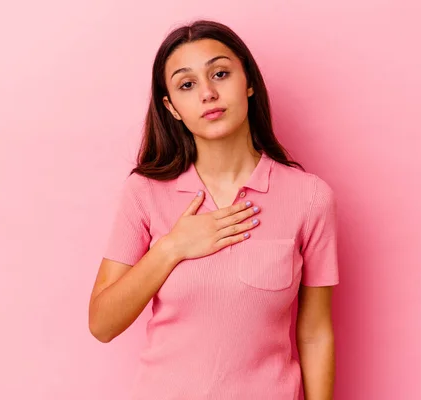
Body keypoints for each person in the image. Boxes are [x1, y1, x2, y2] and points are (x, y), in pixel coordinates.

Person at [88, 19, 339, 400]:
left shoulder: (310, 197)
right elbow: (102, 324)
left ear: (248, 82)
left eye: (220, 73)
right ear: (171, 108)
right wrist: (172, 248)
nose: (207, 93)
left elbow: (315, 331)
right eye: (187, 84)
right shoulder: (144, 192)